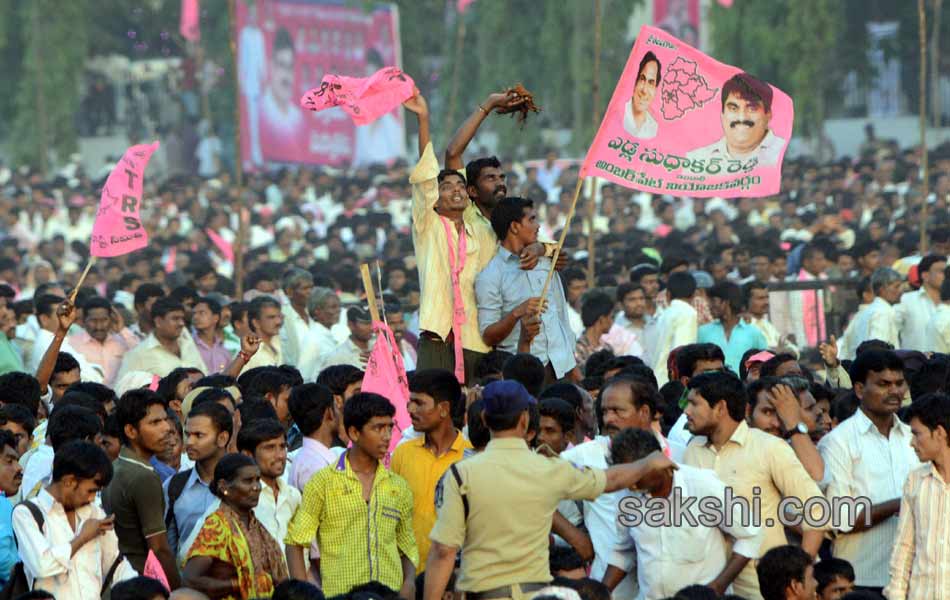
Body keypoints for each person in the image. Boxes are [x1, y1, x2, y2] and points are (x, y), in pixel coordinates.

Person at [423, 380, 676, 600]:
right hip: (536, 594)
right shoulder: (548, 469)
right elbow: (610, 480)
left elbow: (444, 551)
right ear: (525, 420)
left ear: (485, 419)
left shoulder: (461, 474)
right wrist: (647, 462)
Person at [682, 371, 826, 599]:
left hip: (760, 588)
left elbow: (816, 512)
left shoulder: (768, 448)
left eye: (694, 404)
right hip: (707, 583)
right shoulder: (692, 450)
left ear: (720, 408)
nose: (686, 411)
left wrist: (793, 574)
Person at [284, 393, 418, 597]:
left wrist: (409, 583)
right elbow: (295, 542)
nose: (387, 436)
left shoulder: (398, 487)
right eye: (378, 428)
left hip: (389, 594)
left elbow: (406, 545)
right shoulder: (324, 482)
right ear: (354, 433)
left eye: (389, 427)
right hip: (341, 595)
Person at [604, 428, 763, 599]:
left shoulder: (703, 486)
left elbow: (751, 534)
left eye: (638, 476)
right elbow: (624, 551)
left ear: (660, 462)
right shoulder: (627, 495)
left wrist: (718, 586)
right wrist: (600, 592)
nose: (631, 485)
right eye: (628, 476)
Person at [818, 350, 920, 595]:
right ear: (860, 389)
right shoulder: (838, 443)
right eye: (884, 384)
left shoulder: (912, 437)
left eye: (898, 383)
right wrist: (903, 502)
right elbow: (841, 519)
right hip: (862, 580)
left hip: (912, 577)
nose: (894, 391)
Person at [408, 91, 493, 384]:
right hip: (437, 336)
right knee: (434, 408)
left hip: (476, 338)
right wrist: (423, 119)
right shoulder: (428, 224)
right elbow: (426, 178)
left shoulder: (481, 230)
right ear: (437, 197)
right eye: (447, 186)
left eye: (461, 185)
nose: (455, 189)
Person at [561, 375, 667, 598]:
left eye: (618, 411)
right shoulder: (585, 456)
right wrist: (575, 536)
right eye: (605, 411)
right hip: (610, 589)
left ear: (644, 413)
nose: (609, 419)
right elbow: (533, 483)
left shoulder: (678, 452)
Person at [13, 441, 137, 599]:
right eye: (90, 491)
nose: (92, 498)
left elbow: (116, 565)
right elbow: (42, 566)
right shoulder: (27, 513)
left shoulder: (94, 513)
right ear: (68, 481)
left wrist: (141, 589)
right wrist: (82, 538)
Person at [476, 196, 578, 382]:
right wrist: (517, 312)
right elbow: (489, 336)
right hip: (526, 374)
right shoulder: (490, 276)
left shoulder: (546, 261)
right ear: (514, 227)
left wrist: (573, 360)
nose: (538, 225)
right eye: (531, 219)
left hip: (563, 367)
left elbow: (561, 314)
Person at [392, 369, 473, 573]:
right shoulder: (402, 453)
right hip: (404, 573)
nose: (410, 409)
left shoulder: (471, 457)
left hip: (454, 575)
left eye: (419, 403)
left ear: (444, 409)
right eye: (410, 401)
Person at [103, 389, 181, 589]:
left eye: (165, 420)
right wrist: (178, 591)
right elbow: (159, 548)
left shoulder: (118, 466)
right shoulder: (144, 476)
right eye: (155, 423)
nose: (166, 428)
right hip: (140, 582)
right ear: (131, 431)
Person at [183, 453, 289, 599]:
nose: (256, 487)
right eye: (248, 481)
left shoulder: (256, 525)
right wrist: (238, 583)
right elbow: (190, 579)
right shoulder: (217, 526)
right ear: (224, 487)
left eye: (257, 480)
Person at [883, 393, 950, 600]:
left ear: (939, 432)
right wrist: (896, 595)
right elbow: (904, 547)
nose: (912, 443)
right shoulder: (915, 480)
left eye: (917, 434)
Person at [165, 401, 232, 562]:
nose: (189, 442)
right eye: (187, 435)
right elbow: (168, 547)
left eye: (199, 435)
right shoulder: (174, 487)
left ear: (222, 438)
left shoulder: (243, 485)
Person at [687, 73, 787, 167]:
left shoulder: (784, 154)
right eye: (733, 109)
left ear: (768, 114)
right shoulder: (697, 160)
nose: (742, 118)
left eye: (752, 109)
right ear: (722, 114)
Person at [238, 418, 300, 550]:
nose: (280, 456)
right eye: (270, 448)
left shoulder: (293, 495)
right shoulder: (238, 499)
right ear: (248, 455)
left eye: (282, 447)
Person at [116, 298, 206, 381]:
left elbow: (204, 374)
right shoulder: (139, 354)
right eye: (175, 319)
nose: (181, 323)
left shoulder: (188, 344)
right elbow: (123, 389)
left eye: (182, 318)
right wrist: (155, 388)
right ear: (158, 321)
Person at [698, 281, 767, 373]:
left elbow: (765, 365)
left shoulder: (753, 333)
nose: (710, 306)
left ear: (725, 303)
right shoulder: (703, 331)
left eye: (714, 301)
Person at [69, 296, 139, 385]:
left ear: (112, 318)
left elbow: (140, 355)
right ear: (84, 320)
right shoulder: (72, 344)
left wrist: (122, 330)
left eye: (104, 320)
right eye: (93, 321)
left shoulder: (123, 340)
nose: (99, 326)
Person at [652, 272, 699, 386]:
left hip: (657, 379)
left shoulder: (663, 314)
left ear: (667, 295)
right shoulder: (688, 313)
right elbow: (681, 353)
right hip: (671, 383)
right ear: (694, 295)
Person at [845, 268, 902, 354]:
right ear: (882, 289)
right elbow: (879, 349)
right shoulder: (882, 312)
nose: (900, 291)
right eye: (896, 287)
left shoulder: (866, 312)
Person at [895, 254, 945, 352]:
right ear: (925, 275)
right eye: (941, 271)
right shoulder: (907, 300)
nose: (947, 276)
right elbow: (891, 330)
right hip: (915, 365)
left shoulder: (947, 304)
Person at [238, 0, 266, 168]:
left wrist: (264, 79)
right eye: (251, 13)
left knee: (258, 121)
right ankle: (251, 155)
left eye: (256, 13)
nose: (253, 17)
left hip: (259, 84)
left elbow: (262, 60)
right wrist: (242, 81)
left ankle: (258, 154)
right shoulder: (245, 34)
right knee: (250, 121)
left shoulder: (260, 35)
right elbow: (242, 58)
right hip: (249, 84)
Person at [321, 306, 375, 370]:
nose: (372, 327)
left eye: (372, 323)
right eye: (366, 323)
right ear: (351, 325)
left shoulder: (380, 348)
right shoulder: (337, 357)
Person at [240, 296, 283, 374]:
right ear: (256, 322)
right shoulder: (247, 352)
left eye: (279, 317)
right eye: (271, 317)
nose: (278, 322)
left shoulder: (283, 344)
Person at [0, 430, 22, 586]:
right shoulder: (2, 504)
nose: (19, 468)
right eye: (9, 461)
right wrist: (26, 582)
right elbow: (2, 557)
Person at [622, 52, 660, 139]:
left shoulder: (653, 128)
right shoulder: (620, 112)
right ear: (634, 81)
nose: (644, 90)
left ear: (655, 90)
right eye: (642, 79)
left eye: (651, 83)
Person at [191, 297, 232, 376]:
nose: (195, 317)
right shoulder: (188, 346)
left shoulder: (224, 351)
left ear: (215, 318)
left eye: (201, 313)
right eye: (194, 314)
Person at [575, 291, 617, 367]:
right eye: (611, 317)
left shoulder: (607, 348)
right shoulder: (578, 349)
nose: (612, 322)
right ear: (602, 319)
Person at [743, 281, 781, 348]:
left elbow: (793, 349)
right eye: (760, 298)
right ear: (747, 301)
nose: (766, 302)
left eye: (767, 297)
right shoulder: (744, 325)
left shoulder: (766, 324)